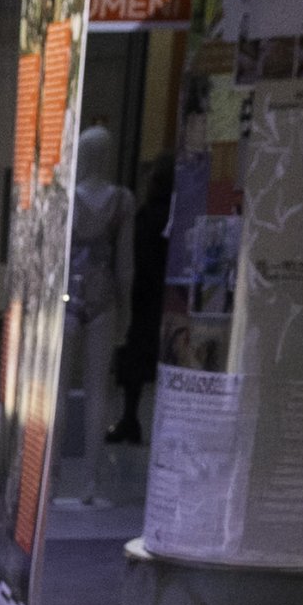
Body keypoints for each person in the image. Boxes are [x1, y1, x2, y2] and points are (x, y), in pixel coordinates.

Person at [61, 123, 134, 501]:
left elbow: (55, 261)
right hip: (104, 299)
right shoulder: (121, 201)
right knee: (96, 391)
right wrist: (126, 309)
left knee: (58, 391)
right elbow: (125, 266)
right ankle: (90, 479)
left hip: (67, 298)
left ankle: (51, 477)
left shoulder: (67, 199)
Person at [111, 150, 174, 446]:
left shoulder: (148, 216)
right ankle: (133, 420)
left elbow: (136, 255)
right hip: (160, 294)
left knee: (135, 360)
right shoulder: (169, 216)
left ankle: (130, 418)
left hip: (145, 295)